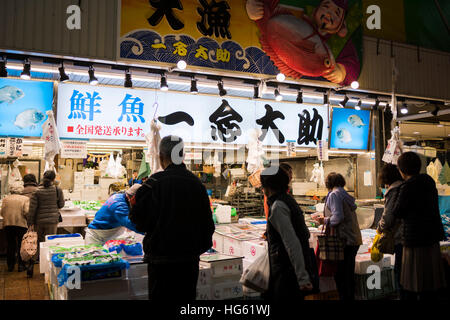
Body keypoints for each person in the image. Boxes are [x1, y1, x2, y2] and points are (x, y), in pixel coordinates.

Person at [130, 136, 215, 300]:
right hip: (188, 263)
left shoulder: (153, 183)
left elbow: (138, 222)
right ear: (182, 156)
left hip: (160, 264)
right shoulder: (197, 185)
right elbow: (208, 226)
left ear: (161, 157)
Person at [246, 0, 360, 85]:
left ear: (342, 26)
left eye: (337, 13)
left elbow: (353, 66)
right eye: (326, 7)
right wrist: (256, 10)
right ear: (315, 10)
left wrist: (342, 72)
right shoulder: (302, 25)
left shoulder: (339, 43)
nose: (329, 14)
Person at [393, 152, 446, 300]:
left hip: (414, 238)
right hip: (432, 237)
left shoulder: (407, 186)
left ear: (402, 169)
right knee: (431, 279)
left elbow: (398, 211)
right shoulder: (429, 182)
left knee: (414, 279)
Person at [260, 165, 317, 301]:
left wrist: (302, 278)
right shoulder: (287, 200)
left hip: (287, 273)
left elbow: (292, 243)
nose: (262, 189)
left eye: (262, 185)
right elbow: (304, 233)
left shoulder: (278, 206)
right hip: (289, 270)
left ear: (268, 186)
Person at [312, 172, 362, 300]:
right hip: (353, 239)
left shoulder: (334, 194)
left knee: (341, 276)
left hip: (343, 240)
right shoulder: (344, 193)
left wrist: (324, 220)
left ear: (328, 183)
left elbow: (337, 217)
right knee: (348, 274)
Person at [27, 170, 65, 278]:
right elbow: (61, 205)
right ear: (54, 179)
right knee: (50, 243)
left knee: (37, 243)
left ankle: (31, 265)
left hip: (39, 221)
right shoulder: (58, 190)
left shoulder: (36, 191)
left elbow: (32, 209)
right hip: (52, 221)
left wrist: (30, 222)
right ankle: (48, 269)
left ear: (43, 177)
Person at [376, 164, 405, 299]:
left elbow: (387, 217)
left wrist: (380, 228)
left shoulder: (393, 190)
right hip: (409, 234)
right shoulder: (405, 187)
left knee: (400, 272)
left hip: (399, 236)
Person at [1, 185, 30, 272]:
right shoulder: (25, 199)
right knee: (21, 245)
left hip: (8, 224)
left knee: (10, 244)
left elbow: (2, 212)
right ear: (21, 190)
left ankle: (10, 266)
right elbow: (26, 212)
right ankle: (21, 266)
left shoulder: (6, 199)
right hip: (21, 224)